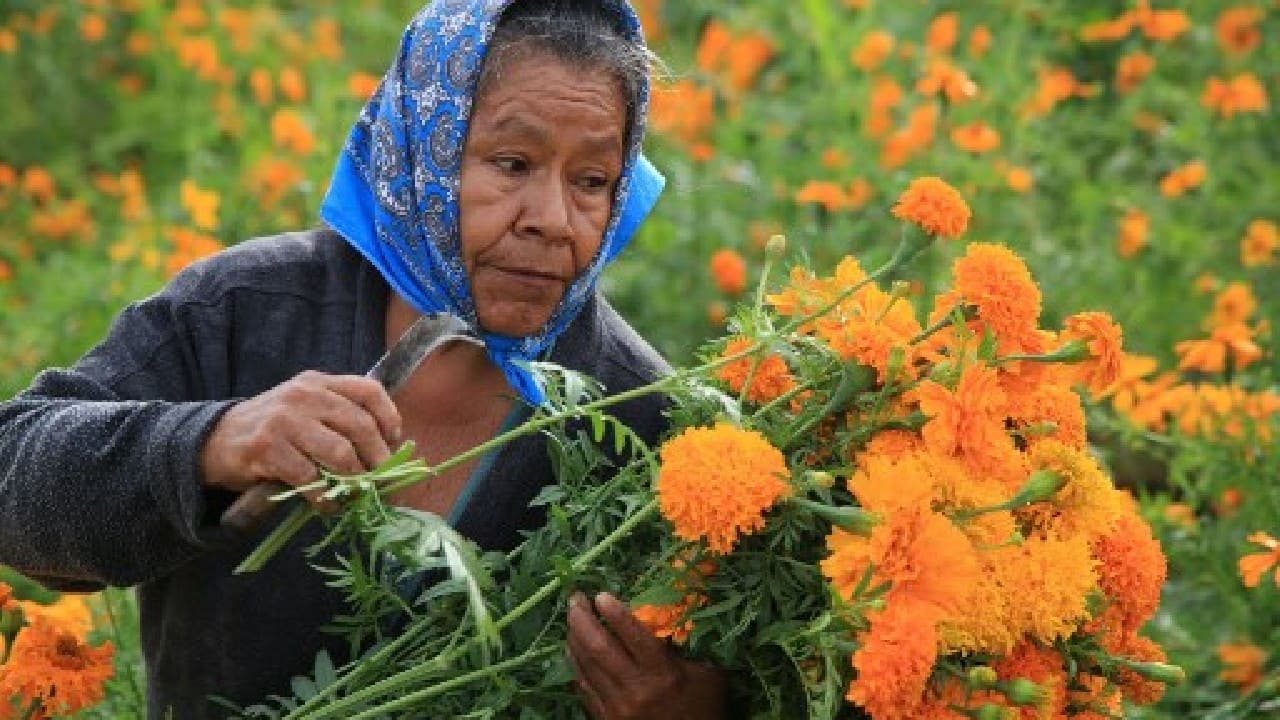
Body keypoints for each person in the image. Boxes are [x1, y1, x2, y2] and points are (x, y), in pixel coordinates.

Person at [0, 1, 727, 717]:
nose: (554, 219)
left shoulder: (643, 419)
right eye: (512, 163)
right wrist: (211, 444)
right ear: (424, 147)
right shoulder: (242, 311)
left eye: (592, 181)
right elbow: (14, 479)